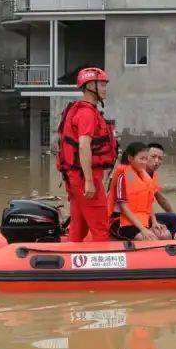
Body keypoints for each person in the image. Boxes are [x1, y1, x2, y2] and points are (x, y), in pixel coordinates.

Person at [57, 67, 118, 242]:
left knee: (79, 227)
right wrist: (89, 182)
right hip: (85, 178)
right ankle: (102, 268)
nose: (105, 88)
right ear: (91, 85)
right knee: (100, 228)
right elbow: (84, 147)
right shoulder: (87, 114)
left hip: (74, 178)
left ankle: (70, 263)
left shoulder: (79, 110)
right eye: (102, 84)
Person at [108, 142, 171, 241]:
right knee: (149, 239)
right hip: (120, 222)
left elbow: (148, 203)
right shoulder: (123, 176)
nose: (144, 162)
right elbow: (124, 208)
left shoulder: (143, 176)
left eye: (146, 159)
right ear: (130, 158)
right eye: (141, 159)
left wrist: (154, 222)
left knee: (165, 235)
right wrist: (143, 229)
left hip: (141, 221)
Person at [145, 142, 176, 237]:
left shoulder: (153, 175)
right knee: (173, 219)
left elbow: (160, 198)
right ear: (144, 156)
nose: (156, 161)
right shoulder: (133, 174)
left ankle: (174, 244)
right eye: (153, 156)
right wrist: (153, 222)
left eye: (160, 158)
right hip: (131, 219)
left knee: (174, 218)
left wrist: (173, 213)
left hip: (145, 216)